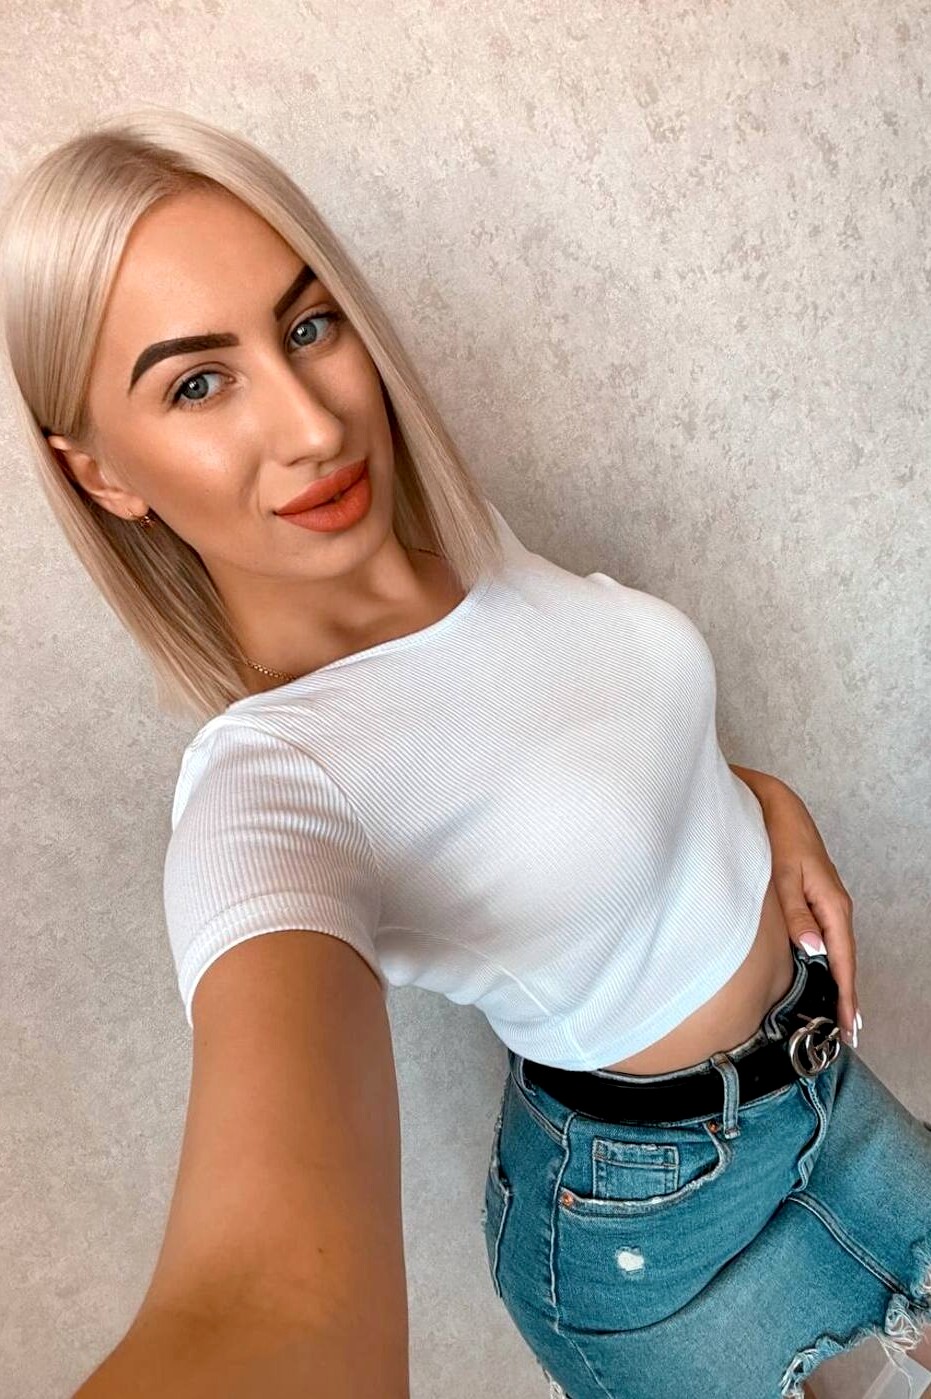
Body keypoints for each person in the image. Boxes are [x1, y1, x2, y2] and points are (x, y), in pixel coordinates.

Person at [1, 107, 928, 1399]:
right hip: (645, 1230)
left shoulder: (461, 542)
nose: (315, 426)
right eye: (198, 383)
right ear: (101, 473)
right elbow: (262, 1300)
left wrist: (754, 802)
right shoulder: (271, 791)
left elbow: (582, 741)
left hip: (825, 1085)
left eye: (308, 326)